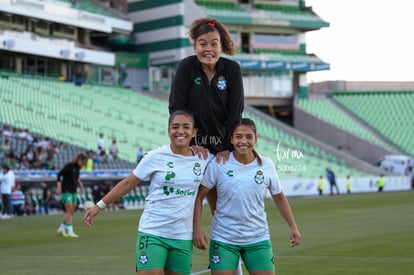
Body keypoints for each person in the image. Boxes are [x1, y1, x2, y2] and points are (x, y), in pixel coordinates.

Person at [84, 110, 213, 275]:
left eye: (186, 127)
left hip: (183, 236)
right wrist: (98, 207)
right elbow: (128, 183)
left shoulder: (204, 158)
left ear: (194, 132)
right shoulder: (155, 156)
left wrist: (197, 227)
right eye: (175, 127)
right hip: (154, 232)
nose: (180, 131)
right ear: (168, 131)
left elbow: (229, 164)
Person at [169, 18, 245, 273]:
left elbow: (236, 113)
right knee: (184, 206)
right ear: (194, 45)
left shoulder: (232, 70)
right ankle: (177, 260)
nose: (208, 49)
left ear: (222, 45)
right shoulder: (186, 68)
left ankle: (230, 267)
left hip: (223, 151)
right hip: (193, 150)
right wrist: (192, 143)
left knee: (223, 212)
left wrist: (226, 148)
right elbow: (176, 108)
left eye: (214, 43)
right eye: (203, 43)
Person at [193, 118, 301, 274]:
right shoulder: (218, 164)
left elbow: (279, 197)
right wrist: (197, 227)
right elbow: (200, 195)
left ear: (256, 139)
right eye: (238, 136)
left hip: (257, 238)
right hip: (224, 239)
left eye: (249, 136)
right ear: (231, 139)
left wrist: (293, 226)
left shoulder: (267, 165)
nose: (243, 141)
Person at [56, 152, 88, 237]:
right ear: (79, 159)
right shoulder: (69, 166)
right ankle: (70, 231)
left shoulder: (78, 168)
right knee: (70, 210)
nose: (83, 165)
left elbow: (76, 178)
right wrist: (59, 187)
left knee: (71, 211)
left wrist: (80, 183)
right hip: (66, 190)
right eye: (82, 162)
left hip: (73, 190)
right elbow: (59, 175)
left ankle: (61, 229)